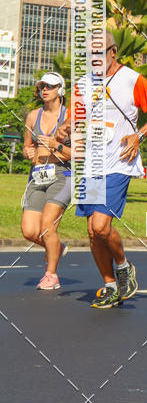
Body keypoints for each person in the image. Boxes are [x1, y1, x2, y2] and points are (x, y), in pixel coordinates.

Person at [57, 31, 147, 308]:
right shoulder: (83, 84)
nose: (94, 60)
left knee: (101, 225)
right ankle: (109, 285)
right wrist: (65, 129)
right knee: (92, 232)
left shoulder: (132, 79)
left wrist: (138, 135)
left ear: (113, 51)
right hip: (92, 164)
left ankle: (123, 266)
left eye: (99, 53)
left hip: (119, 161)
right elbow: (73, 121)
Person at [21, 72, 71, 290]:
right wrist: (28, 152)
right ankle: (56, 248)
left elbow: (78, 153)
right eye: (42, 86)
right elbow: (26, 146)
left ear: (60, 89)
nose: (44, 90)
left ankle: (51, 275)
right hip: (38, 175)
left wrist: (54, 145)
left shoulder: (70, 117)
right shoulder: (33, 116)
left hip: (62, 175)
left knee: (46, 228)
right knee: (29, 231)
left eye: (50, 86)